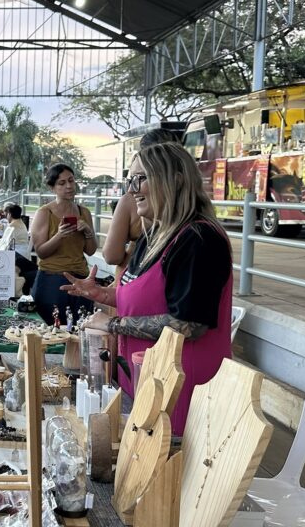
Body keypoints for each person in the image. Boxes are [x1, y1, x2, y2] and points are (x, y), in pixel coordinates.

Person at [62, 142, 233, 436]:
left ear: (176, 178)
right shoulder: (153, 234)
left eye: (141, 178)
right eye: (130, 180)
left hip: (180, 391)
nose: (132, 190)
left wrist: (114, 324)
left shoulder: (199, 239)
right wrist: (104, 294)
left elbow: (188, 324)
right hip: (146, 383)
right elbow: (151, 297)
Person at [102, 129, 181, 276]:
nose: (133, 190)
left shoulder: (130, 201)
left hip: (132, 279)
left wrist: (134, 247)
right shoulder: (193, 210)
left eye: (142, 177)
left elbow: (111, 255)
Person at [29, 163, 97, 324]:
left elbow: (91, 250)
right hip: (52, 280)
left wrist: (88, 232)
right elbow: (41, 252)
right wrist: (59, 235)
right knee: (52, 332)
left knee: (78, 331)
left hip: (80, 279)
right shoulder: (45, 213)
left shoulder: (84, 212)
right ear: (52, 188)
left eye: (71, 181)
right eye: (62, 183)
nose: (68, 186)